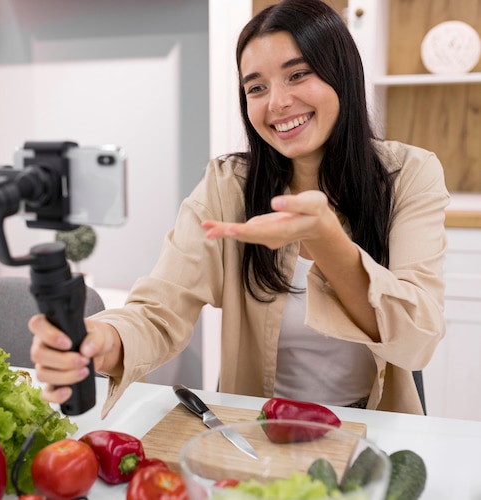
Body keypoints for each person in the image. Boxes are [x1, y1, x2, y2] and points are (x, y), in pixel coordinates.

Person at [29, 0, 449, 417]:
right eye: (256, 87)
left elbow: (418, 339)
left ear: (343, 72)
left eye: (298, 74)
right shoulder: (228, 184)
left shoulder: (409, 174)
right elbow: (162, 308)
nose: (277, 103)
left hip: (373, 425)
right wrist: (105, 338)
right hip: (257, 427)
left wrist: (326, 240)